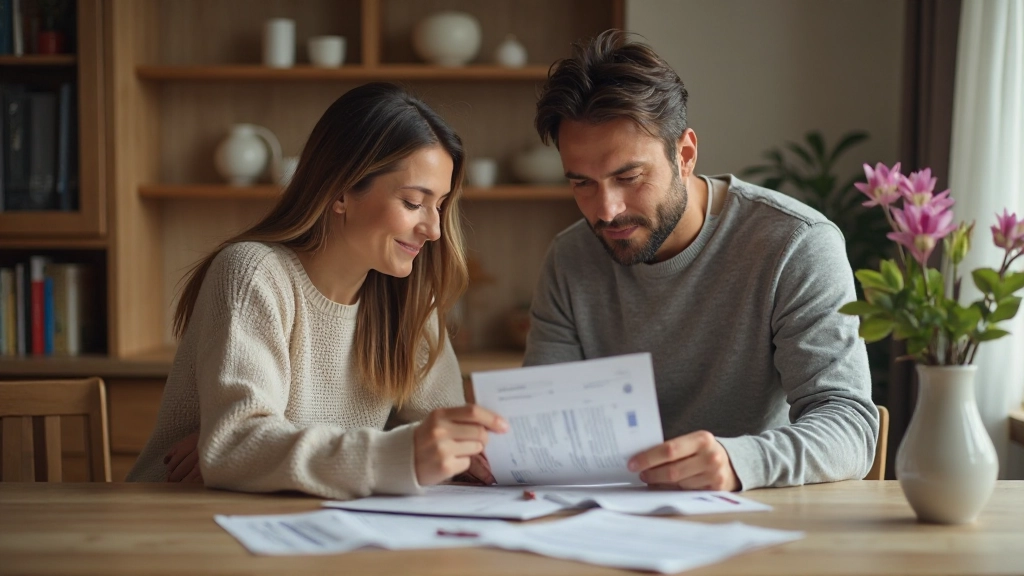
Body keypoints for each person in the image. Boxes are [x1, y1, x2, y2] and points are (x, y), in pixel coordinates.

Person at [524, 30, 879, 491]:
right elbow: (545, 421)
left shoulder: (795, 244)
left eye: (629, 177)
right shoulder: (570, 258)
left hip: (754, 512)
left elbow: (850, 426)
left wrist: (737, 461)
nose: (607, 210)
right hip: (610, 514)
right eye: (582, 184)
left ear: (685, 155)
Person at [126, 83, 505, 499]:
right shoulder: (254, 273)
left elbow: (442, 440)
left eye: (441, 205)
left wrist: (267, 452)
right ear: (341, 191)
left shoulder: (410, 297)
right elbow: (236, 445)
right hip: (179, 515)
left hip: (300, 516)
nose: (433, 230)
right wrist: (246, 451)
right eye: (414, 203)